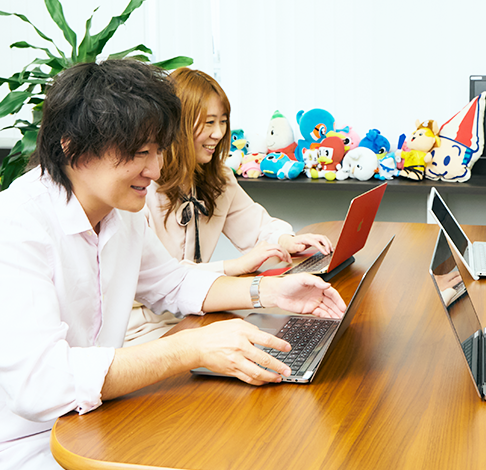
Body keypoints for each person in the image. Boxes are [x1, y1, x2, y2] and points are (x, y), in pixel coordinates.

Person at [0, 59, 347, 470]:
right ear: (73, 147)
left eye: (159, 150)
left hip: (96, 418)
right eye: (139, 153)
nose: (156, 169)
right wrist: (190, 348)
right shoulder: (17, 224)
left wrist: (268, 291)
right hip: (28, 443)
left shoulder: (121, 211)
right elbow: (42, 383)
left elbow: (173, 282)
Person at [127, 67, 333, 344]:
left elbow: (257, 226)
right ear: (177, 125)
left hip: (199, 311)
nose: (219, 133)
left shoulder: (218, 178)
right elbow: (160, 280)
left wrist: (286, 240)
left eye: (223, 122)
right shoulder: (140, 189)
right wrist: (233, 266)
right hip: (144, 327)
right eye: (209, 123)